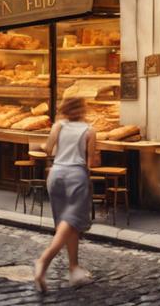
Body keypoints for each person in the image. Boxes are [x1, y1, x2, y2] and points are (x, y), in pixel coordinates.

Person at [32, 97, 99, 291]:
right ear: (82, 110)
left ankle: (74, 269)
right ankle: (43, 261)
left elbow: (48, 149)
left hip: (56, 174)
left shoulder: (57, 126)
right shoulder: (89, 131)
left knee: (67, 224)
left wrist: (40, 147)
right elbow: (90, 163)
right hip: (76, 176)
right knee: (69, 223)